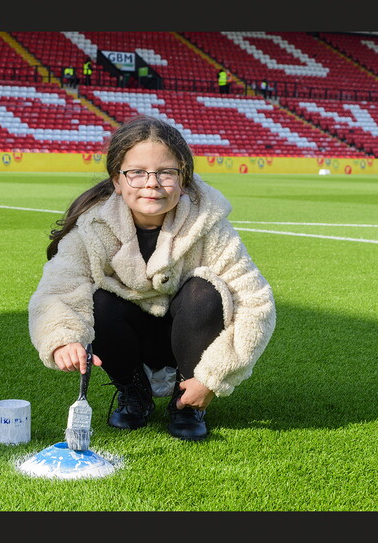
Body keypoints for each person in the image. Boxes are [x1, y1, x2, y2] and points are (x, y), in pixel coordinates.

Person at [28, 115, 276, 442]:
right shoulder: (93, 228)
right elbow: (56, 290)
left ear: (184, 180)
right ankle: (134, 391)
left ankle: (187, 402)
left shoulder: (209, 225)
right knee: (99, 299)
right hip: (130, 340)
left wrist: (213, 377)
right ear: (117, 181)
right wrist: (62, 338)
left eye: (166, 172)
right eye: (137, 172)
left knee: (204, 291)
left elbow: (256, 302)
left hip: (189, 338)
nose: (152, 183)